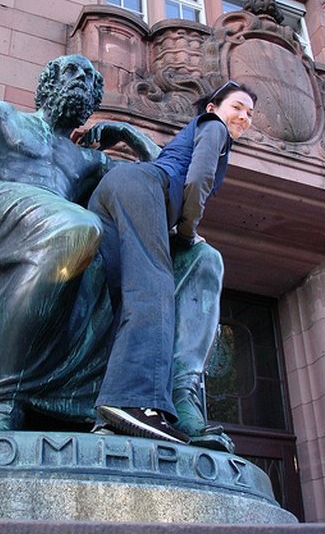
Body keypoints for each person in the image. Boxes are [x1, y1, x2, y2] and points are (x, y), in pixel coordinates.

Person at [0, 24, 160, 432]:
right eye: (72, 72)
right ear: (47, 84)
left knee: (188, 257)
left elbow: (158, 183)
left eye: (90, 79)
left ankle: (136, 404)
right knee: (79, 227)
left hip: (60, 229)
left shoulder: (87, 160)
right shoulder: (3, 116)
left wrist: (129, 134)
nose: (82, 81)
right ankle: (5, 397)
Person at [87, 80, 257, 444]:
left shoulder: (195, 132)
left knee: (120, 295)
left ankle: (110, 411)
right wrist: (187, 231)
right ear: (213, 108)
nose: (244, 116)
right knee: (155, 287)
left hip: (114, 190)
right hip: (144, 189)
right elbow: (198, 180)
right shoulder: (214, 129)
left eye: (249, 113)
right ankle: (132, 403)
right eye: (237, 107)